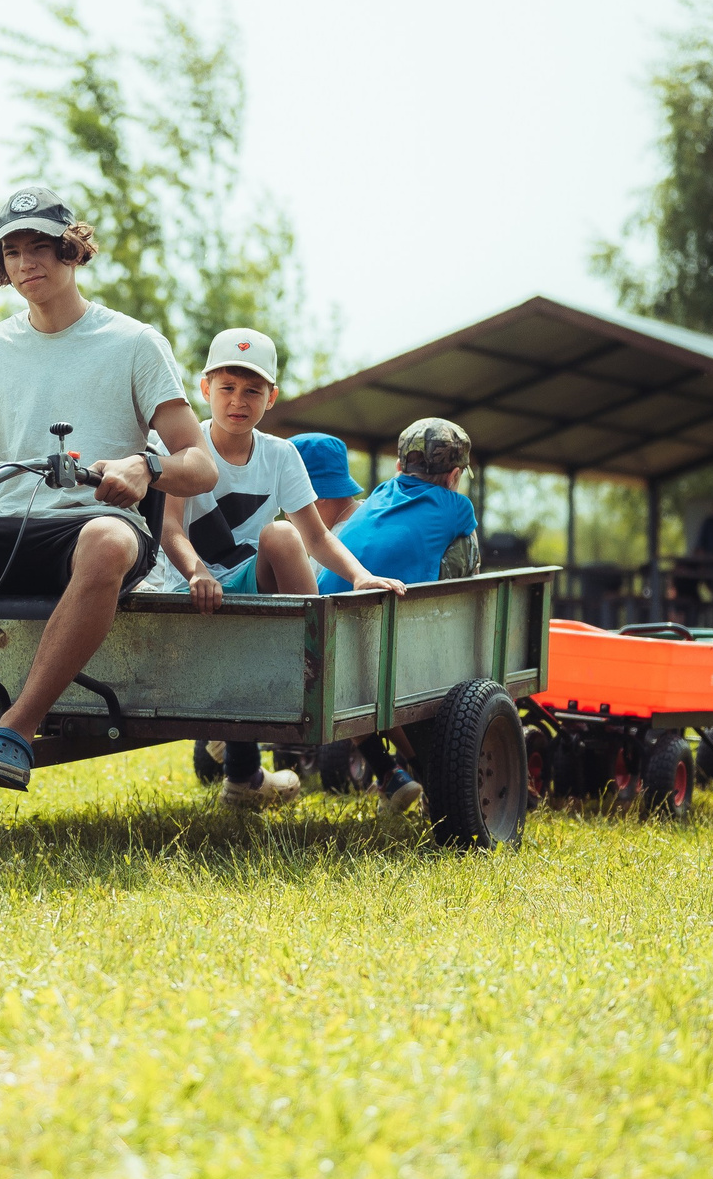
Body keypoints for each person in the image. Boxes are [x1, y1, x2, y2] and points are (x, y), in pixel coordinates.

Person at [0, 185, 218, 791]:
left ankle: (15, 732)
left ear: (73, 250)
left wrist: (145, 468)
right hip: (1, 533)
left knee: (108, 539)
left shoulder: (135, 343)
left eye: (42, 247)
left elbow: (201, 464)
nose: (27, 262)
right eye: (12, 251)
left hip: (89, 532)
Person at [155, 330, 404, 809]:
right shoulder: (186, 449)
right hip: (192, 585)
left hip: (252, 583)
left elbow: (317, 537)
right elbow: (169, 529)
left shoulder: (280, 454)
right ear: (205, 390)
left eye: (252, 391)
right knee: (273, 539)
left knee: (283, 534)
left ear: (270, 398)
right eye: (227, 388)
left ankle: (310, 670)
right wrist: (196, 574)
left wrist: (359, 577)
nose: (237, 401)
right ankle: (259, 757)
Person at [316, 418, 481, 815]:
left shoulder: (378, 494)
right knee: (383, 678)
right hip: (389, 634)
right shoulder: (457, 505)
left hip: (322, 625)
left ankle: (391, 776)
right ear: (455, 474)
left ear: (397, 468)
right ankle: (432, 776)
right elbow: (470, 564)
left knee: (356, 680)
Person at [290, 433, 366, 533]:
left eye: (291, 501)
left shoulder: (340, 541)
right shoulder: (373, 512)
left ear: (316, 493)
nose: (288, 515)